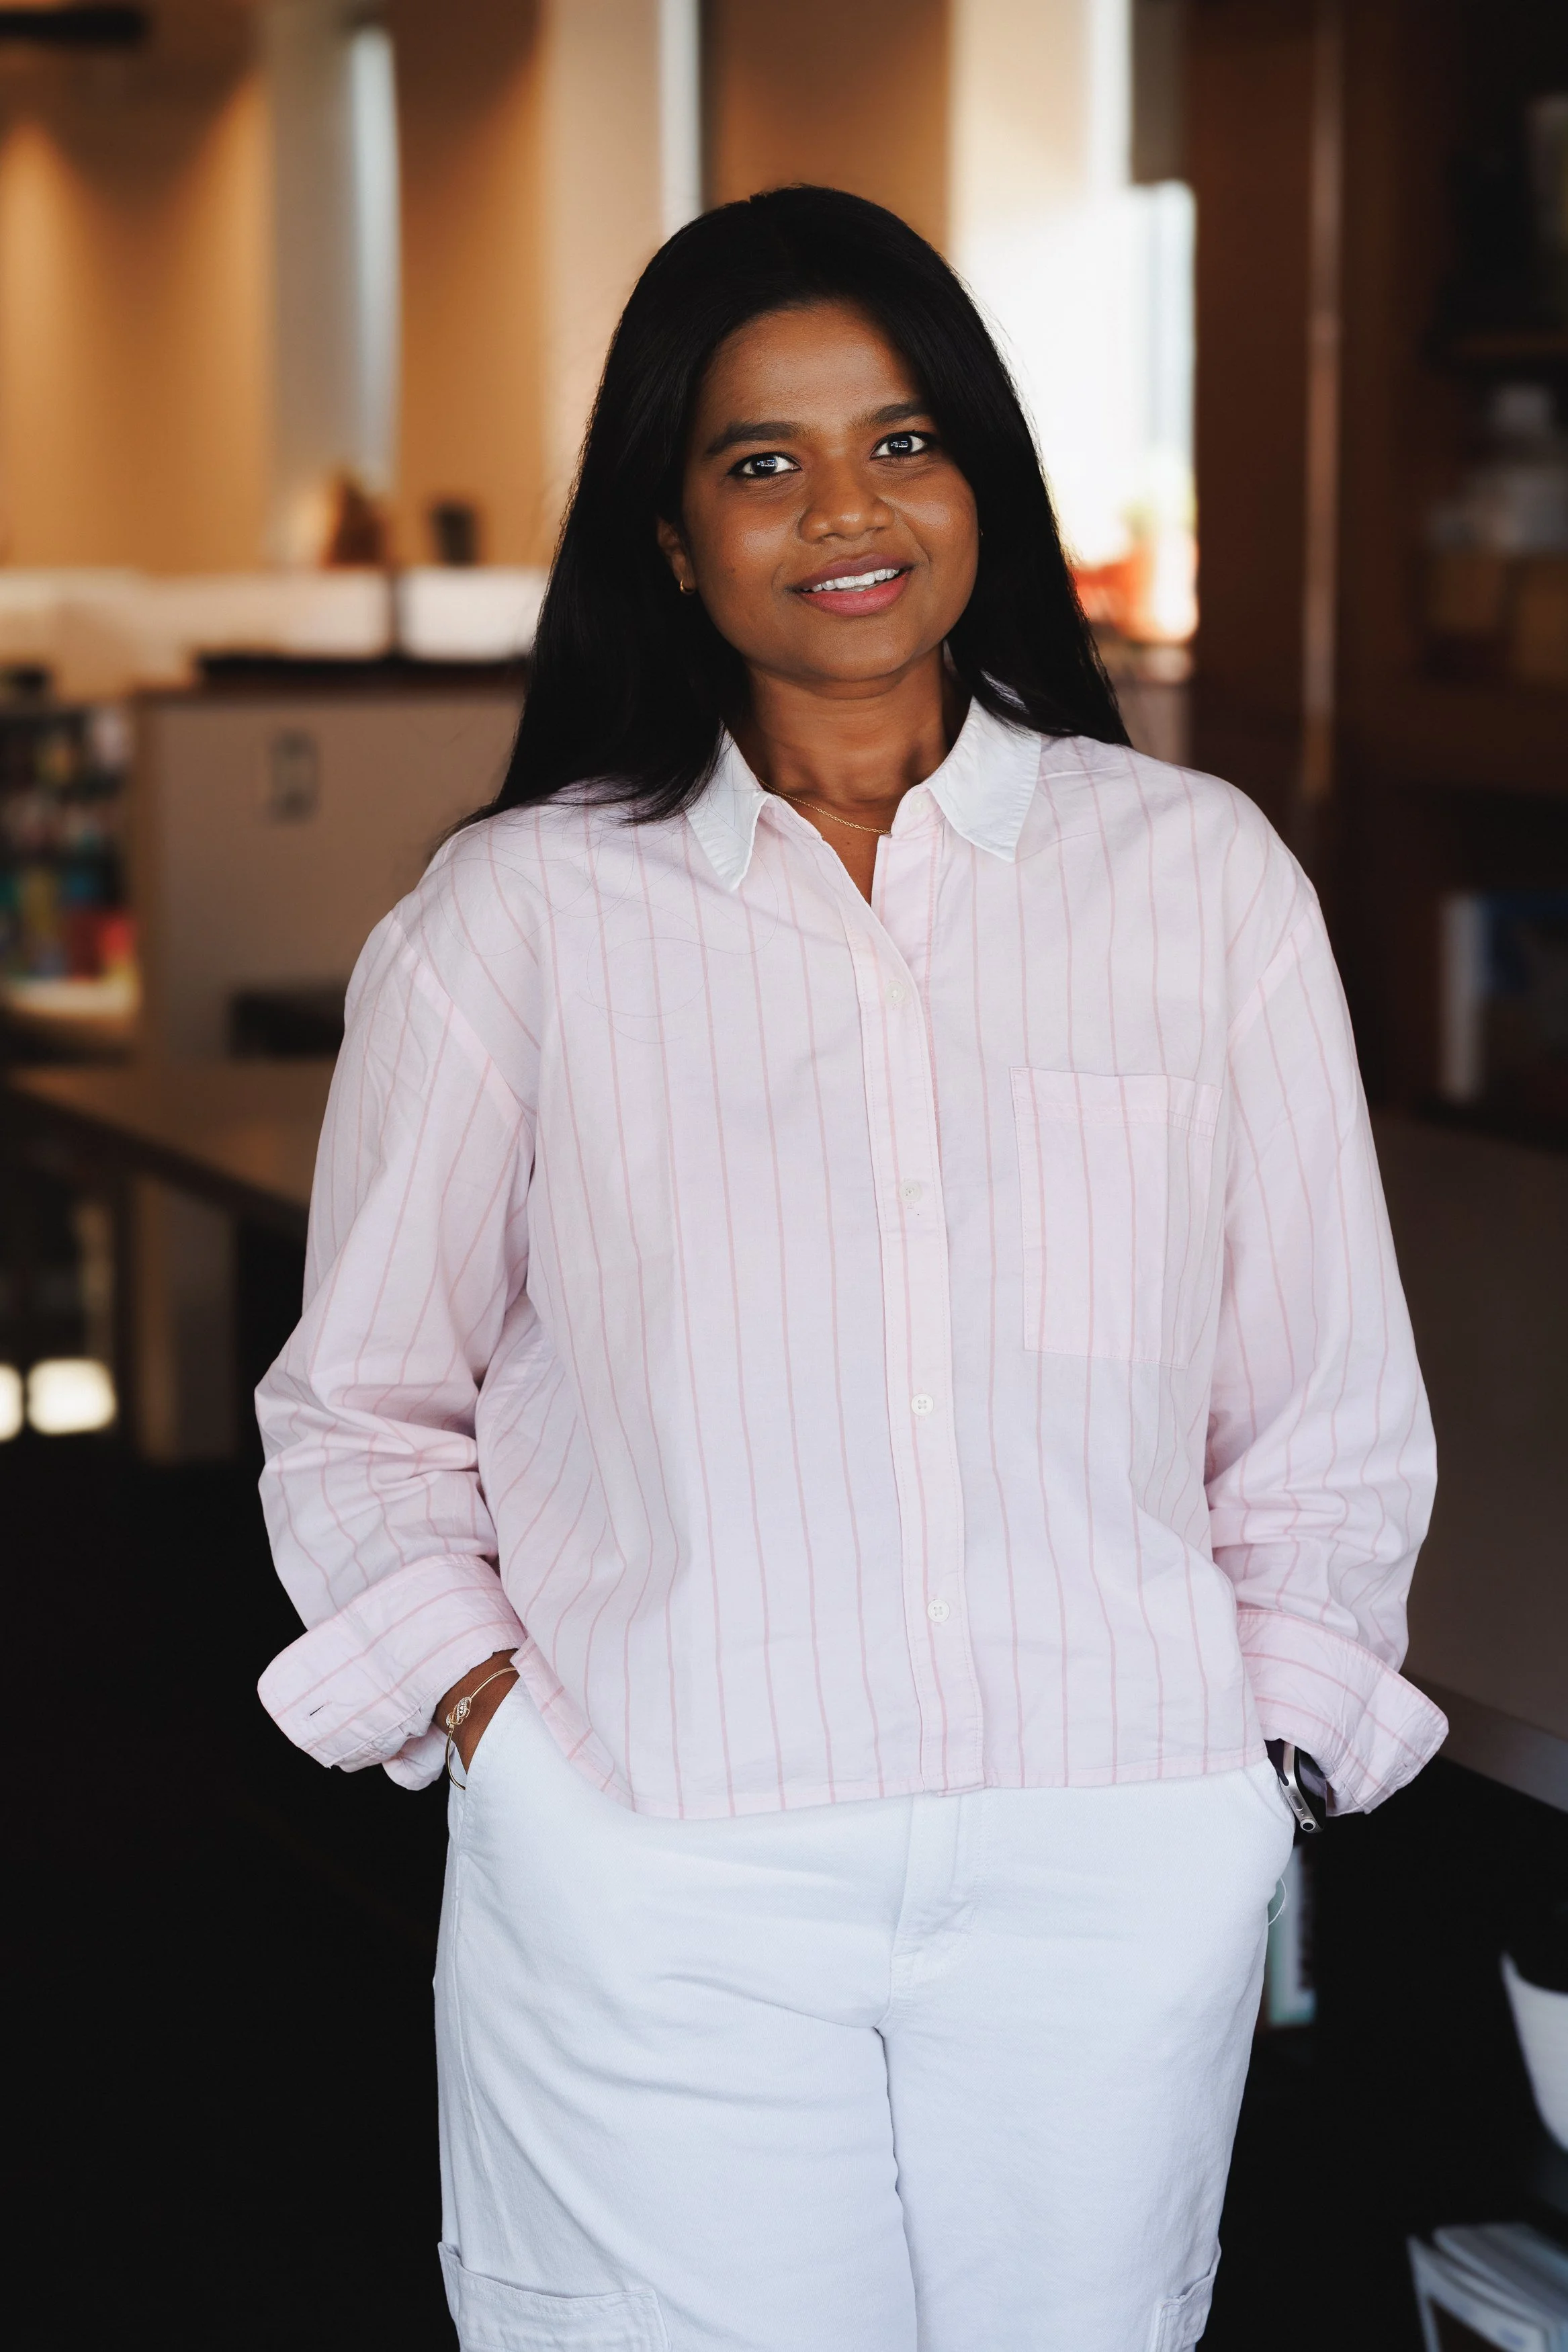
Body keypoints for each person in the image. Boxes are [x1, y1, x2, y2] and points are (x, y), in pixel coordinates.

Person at [257, 187, 1444, 2352]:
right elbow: (359, 1412)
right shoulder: (510, 925)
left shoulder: (1192, 884)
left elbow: (1320, 1414)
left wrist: (1238, 1784)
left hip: (1107, 1873)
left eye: (900, 441)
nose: (844, 512)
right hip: (660, 1860)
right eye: (759, 462)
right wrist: (516, 1749)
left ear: (978, 476)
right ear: (669, 538)